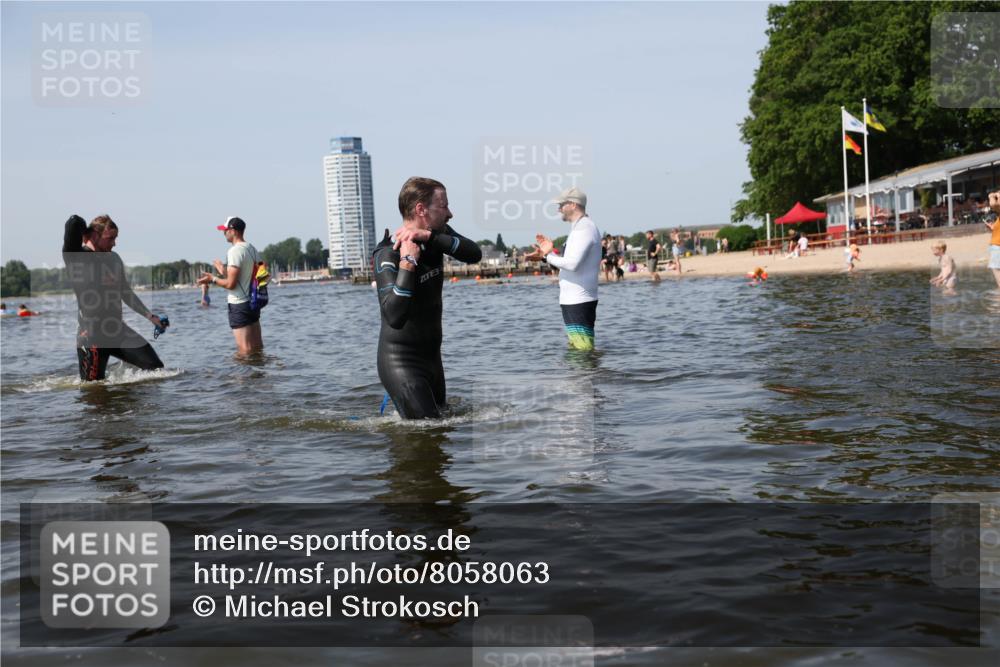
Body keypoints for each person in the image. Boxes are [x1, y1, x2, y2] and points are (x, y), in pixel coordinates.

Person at [372, 177, 481, 419]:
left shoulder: (437, 236)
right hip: (401, 362)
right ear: (421, 209)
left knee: (438, 435)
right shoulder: (388, 253)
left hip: (433, 360)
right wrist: (408, 262)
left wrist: (429, 238)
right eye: (443, 206)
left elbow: (474, 254)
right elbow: (394, 316)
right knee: (430, 426)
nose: (450, 213)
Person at [62, 214, 166, 381]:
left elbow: (125, 292)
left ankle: (127, 401)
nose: (114, 243)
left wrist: (150, 316)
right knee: (94, 391)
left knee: (155, 368)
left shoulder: (113, 259)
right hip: (91, 336)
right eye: (111, 238)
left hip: (117, 330)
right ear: (96, 234)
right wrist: (86, 231)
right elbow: (73, 222)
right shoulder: (76, 257)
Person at [527, 187, 601, 351]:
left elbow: (573, 264)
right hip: (573, 300)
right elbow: (570, 261)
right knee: (578, 352)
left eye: (561, 204)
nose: (558, 208)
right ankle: (584, 377)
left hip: (579, 300)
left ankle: (588, 377)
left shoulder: (585, 228)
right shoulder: (579, 228)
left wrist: (545, 257)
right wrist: (548, 252)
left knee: (583, 353)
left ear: (573, 205)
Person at [198, 216, 264, 356]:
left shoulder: (234, 251)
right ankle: (260, 375)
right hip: (253, 303)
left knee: (244, 351)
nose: (224, 233)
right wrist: (223, 271)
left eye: (225, 230)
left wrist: (212, 279)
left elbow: (231, 284)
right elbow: (259, 275)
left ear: (233, 231)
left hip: (239, 305)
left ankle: (242, 377)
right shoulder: (251, 248)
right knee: (257, 348)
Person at [986, 190, 1000, 288]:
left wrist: (991, 195)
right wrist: (992, 227)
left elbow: (993, 204)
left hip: (998, 245)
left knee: (996, 269)